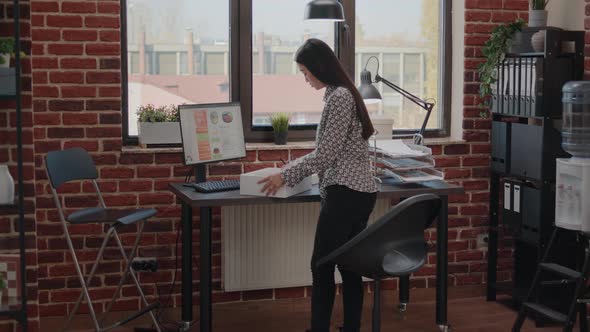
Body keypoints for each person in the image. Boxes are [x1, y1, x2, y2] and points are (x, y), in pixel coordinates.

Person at [258, 38, 378, 332]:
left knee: (321, 265)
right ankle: (351, 327)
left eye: (306, 72)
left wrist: (285, 174)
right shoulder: (343, 94)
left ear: (319, 68)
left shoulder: (339, 97)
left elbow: (325, 154)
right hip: (360, 193)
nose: (305, 79)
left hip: (345, 193)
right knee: (349, 266)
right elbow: (330, 150)